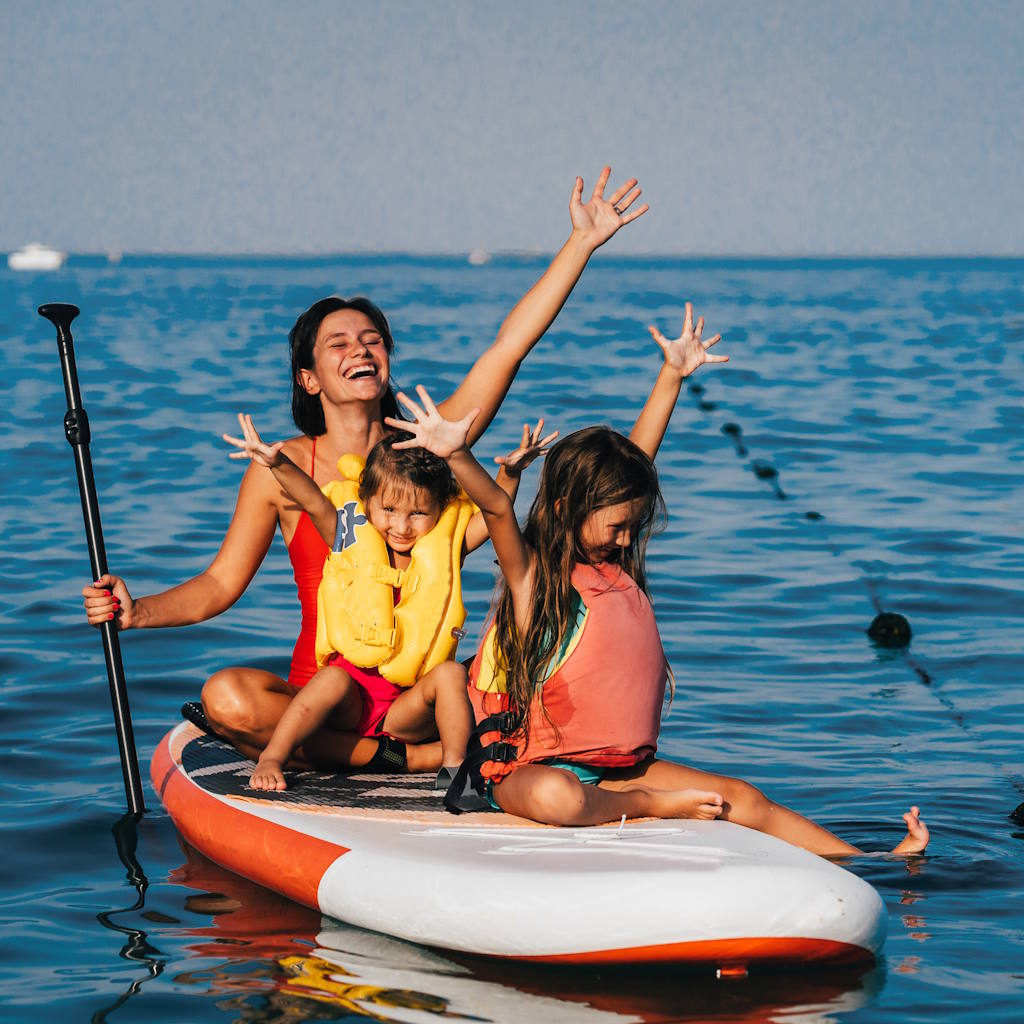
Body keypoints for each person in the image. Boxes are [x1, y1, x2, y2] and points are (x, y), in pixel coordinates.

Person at [80, 167, 648, 772]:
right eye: (339, 343)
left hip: (420, 697)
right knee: (227, 697)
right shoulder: (282, 468)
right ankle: (401, 760)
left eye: (373, 339)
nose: (361, 350)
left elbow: (509, 345)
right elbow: (219, 586)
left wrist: (580, 244)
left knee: (246, 719)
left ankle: (359, 754)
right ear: (309, 377)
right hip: (327, 696)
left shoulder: (430, 443)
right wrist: (137, 612)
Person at [388, 301, 929, 857]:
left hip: (620, 768)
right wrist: (456, 456)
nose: (627, 540)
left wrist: (671, 375)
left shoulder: (612, 564)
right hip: (527, 771)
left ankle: (867, 863)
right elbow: (500, 512)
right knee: (561, 798)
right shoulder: (534, 579)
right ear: (570, 505)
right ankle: (649, 805)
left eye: (634, 525)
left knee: (742, 797)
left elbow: (636, 461)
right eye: (619, 526)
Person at [221, 413, 556, 790]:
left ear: (439, 510)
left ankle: (454, 767)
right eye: (390, 510)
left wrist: (510, 474)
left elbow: (495, 515)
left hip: (405, 708)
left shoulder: (445, 548)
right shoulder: (347, 536)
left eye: (418, 513)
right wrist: (277, 463)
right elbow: (313, 501)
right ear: (367, 502)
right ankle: (273, 757)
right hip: (350, 700)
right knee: (329, 679)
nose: (401, 526)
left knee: (449, 675)